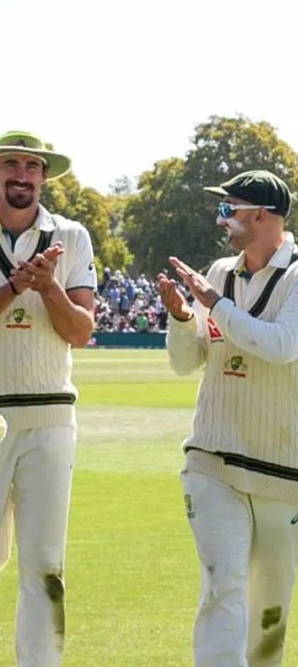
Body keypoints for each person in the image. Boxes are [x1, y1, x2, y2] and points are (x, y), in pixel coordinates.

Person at [156, 169, 298, 667]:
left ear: (261, 215)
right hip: (212, 461)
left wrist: (216, 306)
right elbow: (185, 361)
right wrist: (182, 317)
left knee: (268, 618)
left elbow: (280, 346)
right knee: (223, 588)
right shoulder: (218, 273)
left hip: (281, 469)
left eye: (228, 209)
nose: (221, 219)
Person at [0, 131, 96, 667]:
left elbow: (80, 332)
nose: (20, 175)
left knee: (45, 565)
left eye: (30, 167)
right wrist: (16, 287)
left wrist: (49, 287)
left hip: (51, 415)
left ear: (43, 175)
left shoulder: (72, 236)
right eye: (9, 164)